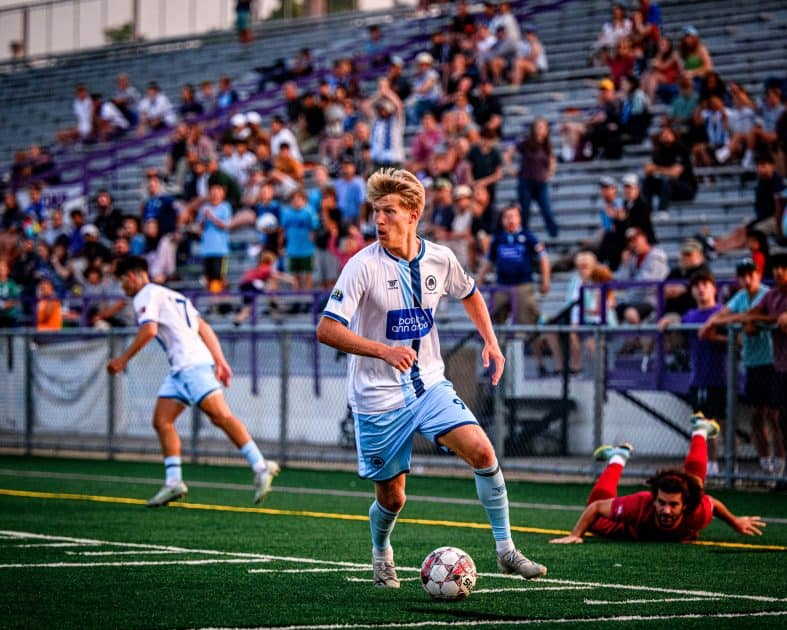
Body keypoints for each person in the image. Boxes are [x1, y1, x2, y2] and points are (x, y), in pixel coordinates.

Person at [316, 168, 547, 588]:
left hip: (430, 385)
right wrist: (383, 349)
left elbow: (471, 292)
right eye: (375, 212)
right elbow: (326, 329)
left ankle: (506, 549)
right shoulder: (361, 266)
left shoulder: (440, 258)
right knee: (393, 497)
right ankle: (382, 551)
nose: (379, 220)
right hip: (377, 398)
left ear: (414, 213)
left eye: (388, 211)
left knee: (482, 452)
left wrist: (491, 343)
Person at [107, 256, 279, 507]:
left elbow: (149, 330)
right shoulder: (171, 295)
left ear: (132, 276)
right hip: (183, 368)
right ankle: (173, 481)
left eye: (122, 281)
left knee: (220, 416)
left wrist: (123, 359)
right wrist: (220, 361)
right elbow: (204, 327)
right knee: (162, 421)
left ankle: (261, 465)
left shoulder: (145, 295)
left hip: (190, 365)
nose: (122, 288)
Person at [549, 414, 765, 543]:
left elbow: (713, 504)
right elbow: (595, 507)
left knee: (695, 484)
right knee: (595, 522)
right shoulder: (640, 504)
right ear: (654, 500)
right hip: (628, 530)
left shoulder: (697, 511)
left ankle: (700, 430)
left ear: (685, 506)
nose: (666, 510)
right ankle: (617, 458)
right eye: (662, 503)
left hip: (681, 514)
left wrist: (735, 522)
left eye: (673, 504)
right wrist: (576, 534)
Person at [700, 258, 783, 477]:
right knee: (757, 414)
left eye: (751, 274)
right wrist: (712, 322)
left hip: (773, 363)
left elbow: (750, 318)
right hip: (753, 363)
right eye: (742, 276)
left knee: (776, 416)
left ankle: (781, 462)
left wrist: (744, 318)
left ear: (758, 274)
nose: (747, 280)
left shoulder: (768, 294)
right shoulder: (741, 297)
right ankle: (766, 462)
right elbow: (724, 314)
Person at [659, 270, 727, 472]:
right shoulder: (690, 316)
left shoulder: (723, 312)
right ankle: (706, 465)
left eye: (705, 284)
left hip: (721, 378)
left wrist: (716, 338)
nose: (701, 289)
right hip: (697, 378)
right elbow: (680, 337)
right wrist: (668, 321)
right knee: (700, 425)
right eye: (697, 285)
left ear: (714, 288)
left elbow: (738, 342)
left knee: (719, 423)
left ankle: (726, 465)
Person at [477, 203, 551, 327]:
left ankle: (525, 345)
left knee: (526, 319)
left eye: (513, 216)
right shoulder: (498, 238)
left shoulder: (528, 237)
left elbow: (543, 258)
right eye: (507, 217)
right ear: (502, 219)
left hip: (523, 285)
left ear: (519, 218)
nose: (510, 220)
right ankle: (497, 344)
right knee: (492, 318)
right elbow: (488, 260)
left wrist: (546, 280)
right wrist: (479, 279)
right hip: (502, 284)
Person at [513, 118, 558, 238]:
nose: (541, 130)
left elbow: (552, 160)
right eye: (538, 127)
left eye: (543, 127)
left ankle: (554, 235)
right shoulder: (526, 143)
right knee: (525, 213)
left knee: (547, 211)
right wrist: (510, 169)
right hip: (526, 182)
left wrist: (550, 173)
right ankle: (524, 237)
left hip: (541, 183)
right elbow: (509, 153)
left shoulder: (547, 145)